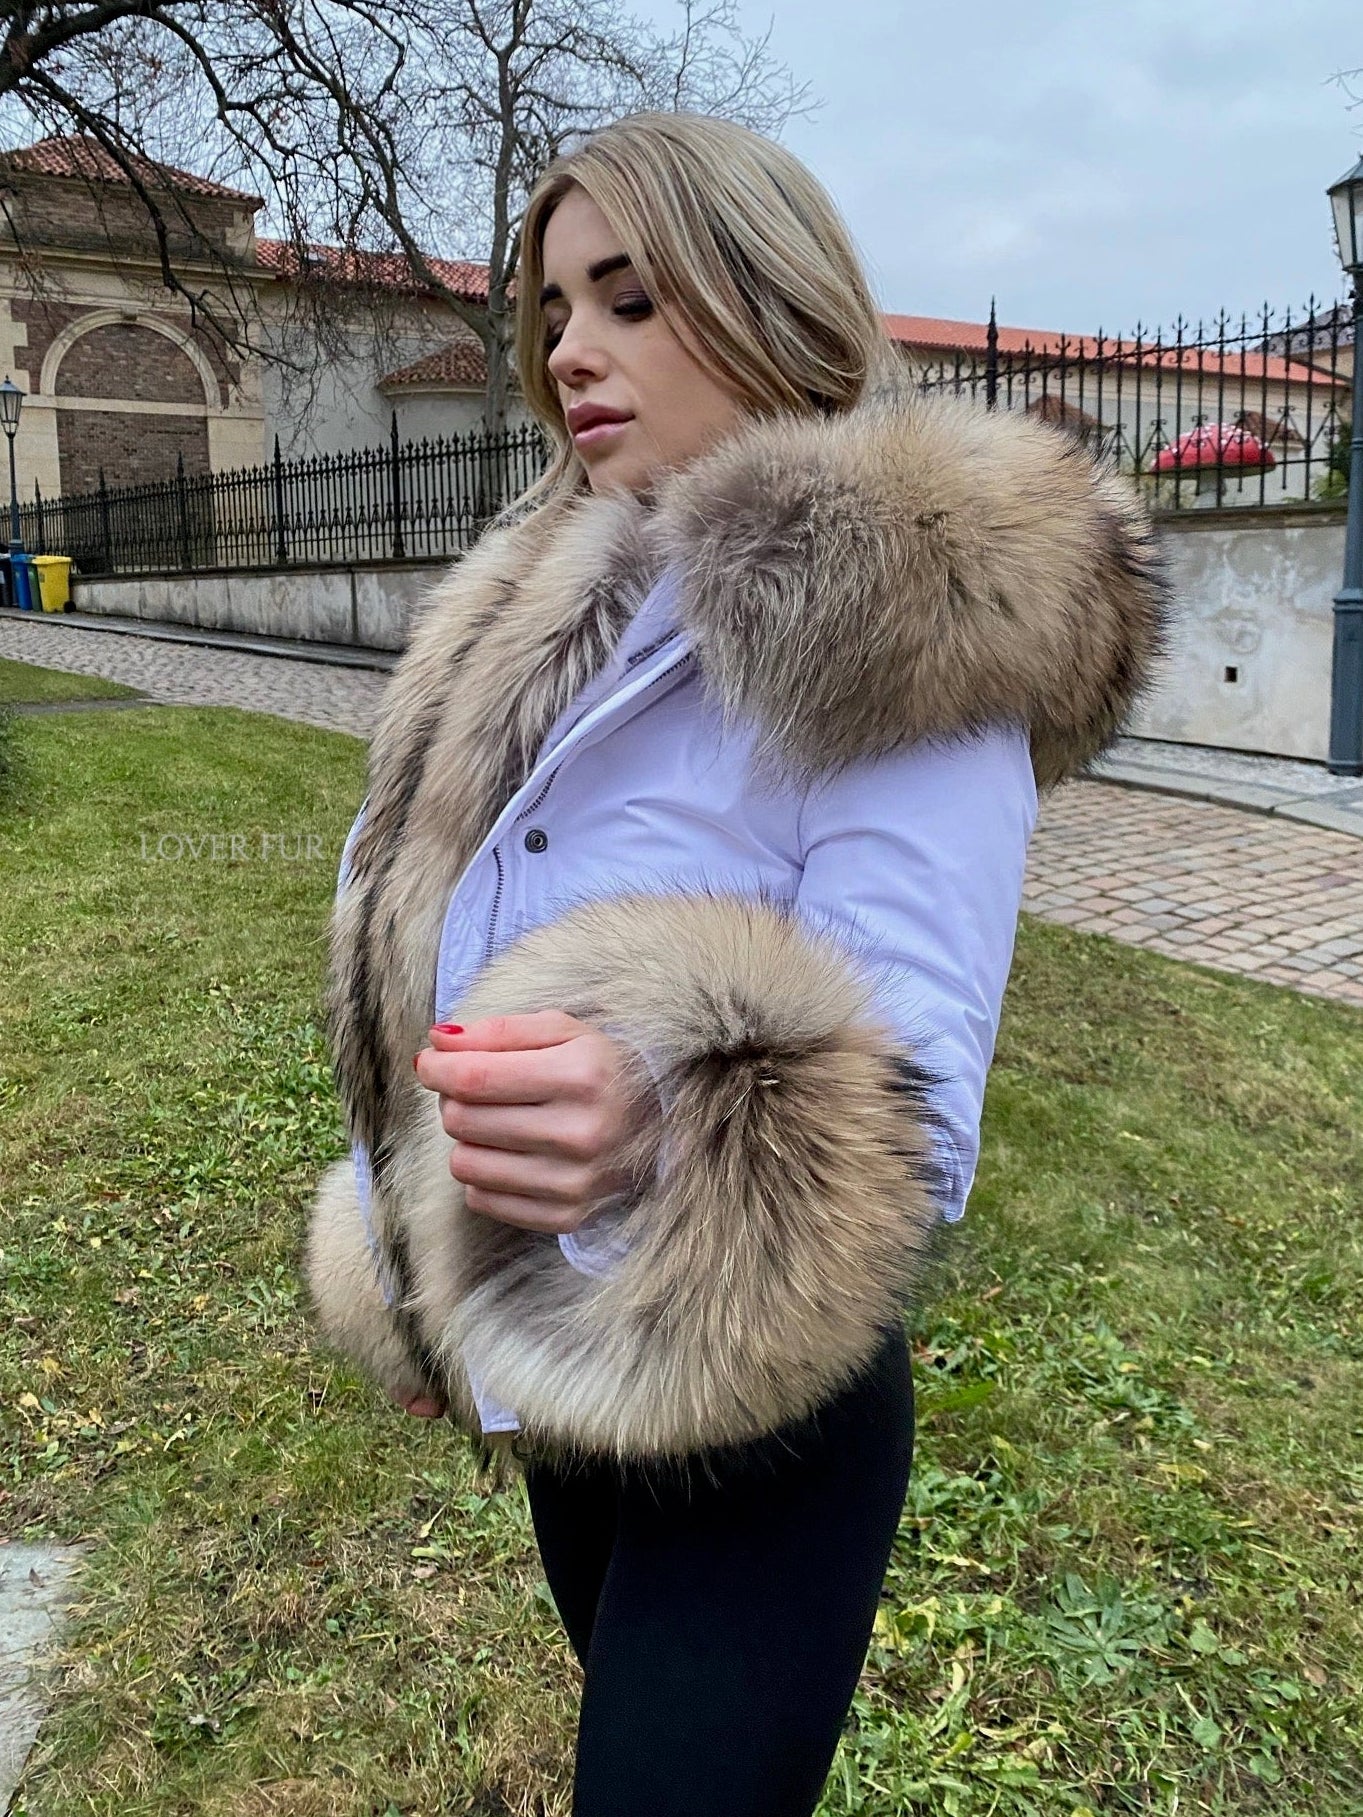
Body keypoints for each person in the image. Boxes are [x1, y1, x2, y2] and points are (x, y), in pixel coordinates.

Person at [304, 111, 1168, 1816]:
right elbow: (437, 953)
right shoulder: (546, 608)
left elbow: (914, 1103)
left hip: (760, 1407)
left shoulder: (903, 622)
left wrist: (656, 1112)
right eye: (554, 312)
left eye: (630, 298)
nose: (572, 356)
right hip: (561, 1365)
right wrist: (426, 1262)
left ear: (766, 291)